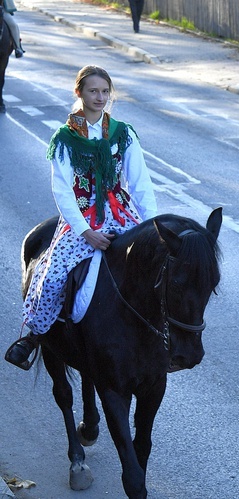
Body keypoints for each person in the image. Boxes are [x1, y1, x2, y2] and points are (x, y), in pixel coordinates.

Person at [4, 65, 158, 370]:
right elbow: (62, 191)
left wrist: (152, 226)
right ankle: (36, 335)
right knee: (51, 278)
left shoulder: (122, 134)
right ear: (79, 93)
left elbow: (140, 184)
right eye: (93, 91)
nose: (100, 97)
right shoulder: (64, 138)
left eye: (105, 91)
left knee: (154, 269)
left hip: (119, 210)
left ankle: (162, 337)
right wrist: (86, 232)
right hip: (81, 216)